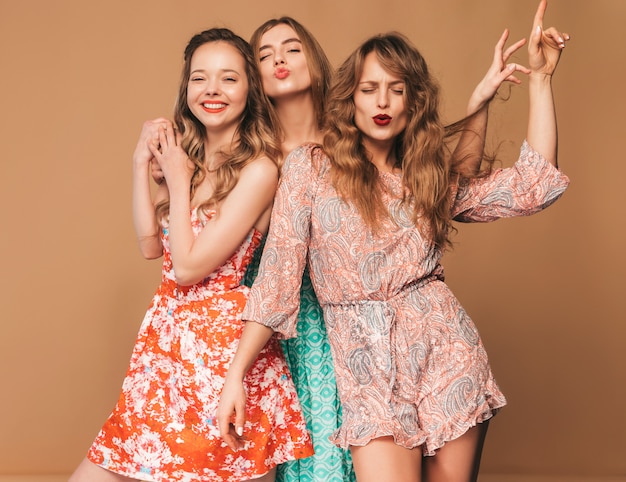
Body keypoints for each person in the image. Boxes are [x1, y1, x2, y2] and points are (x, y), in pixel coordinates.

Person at [216, 1, 570, 481]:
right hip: (365, 367)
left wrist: (540, 81)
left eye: (395, 89)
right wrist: (236, 374)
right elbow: (276, 281)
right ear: (351, 99)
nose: (382, 102)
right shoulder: (311, 168)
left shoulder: (426, 178)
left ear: (412, 102)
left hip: (446, 352)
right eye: (369, 89)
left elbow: (536, 186)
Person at [69, 28, 313, 482]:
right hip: (164, 349)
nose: (212, 91)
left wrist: (178, 182)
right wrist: (141, 162)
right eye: (199, 79)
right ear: (186, 90)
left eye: (228, 79)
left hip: (221, 352)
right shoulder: (192, 158)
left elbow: (188, 267)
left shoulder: (260, 170)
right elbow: (151, 248)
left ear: (250, 90)